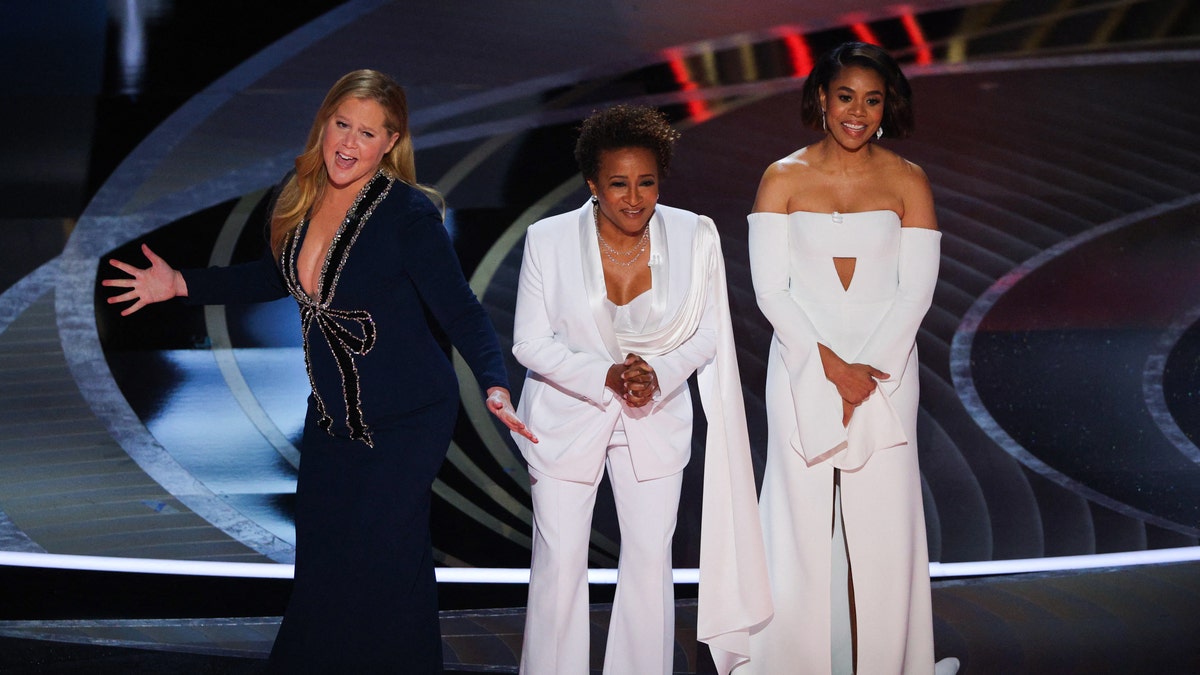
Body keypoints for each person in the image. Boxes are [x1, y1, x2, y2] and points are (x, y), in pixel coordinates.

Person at [103, 69, 535, 674]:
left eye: (366, 132)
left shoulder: (407, 215)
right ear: (324, 122)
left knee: (375, 560)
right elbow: (271, 275)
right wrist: (179, 284)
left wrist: (494, 381)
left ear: (390, 142)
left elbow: (461, 310)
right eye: (341, 124)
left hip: (407, 422)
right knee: (335, 562)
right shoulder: (302, 192)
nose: (348, 143)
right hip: (332, 420)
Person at [509, 104, 770, 675]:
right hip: (566, 418)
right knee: (559, 566)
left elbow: (707, 334)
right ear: (593, 185)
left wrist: (661, 371)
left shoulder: (694, 234)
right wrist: (602, 375)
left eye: (646, 182)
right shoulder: (547, 240)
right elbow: (529, 343)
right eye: (618, 184)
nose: (634, 198)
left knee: (651, 563)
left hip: (655, 418)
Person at [743, 43, 957, 674]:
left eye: (872, 98)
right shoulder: (781, 177)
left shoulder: (908, 180)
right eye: (845, 97)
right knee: (797, 516)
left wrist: (869, 370)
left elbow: (916, 291)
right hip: (801, 366)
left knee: (885, 525)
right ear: (820, 100)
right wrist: (832, 367)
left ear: (887, 105)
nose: (857, 112)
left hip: (887, 375)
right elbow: (769, 290)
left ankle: (890, 663)